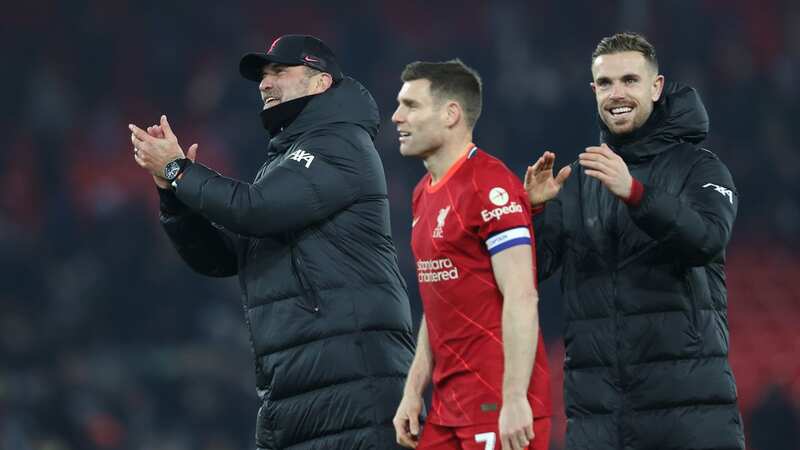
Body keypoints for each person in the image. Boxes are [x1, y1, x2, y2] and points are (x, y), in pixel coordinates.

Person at [128, 34, 415, 450]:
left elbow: (252, 210)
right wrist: (174, 195)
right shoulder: (284, 161)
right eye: (263, 75)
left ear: (320, 83)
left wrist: (179, 170)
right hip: (296, 390)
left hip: (353, 387)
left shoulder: (339, 144)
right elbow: (221, 259)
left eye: (280, 71)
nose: (264, 83)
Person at [524, 32, 745, 449]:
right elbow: (530, 273)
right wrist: (531, 215)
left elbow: (708, 239)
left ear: (656, 87)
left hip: (690, 417)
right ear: (593, 91)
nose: (617, 94)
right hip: (600, 420)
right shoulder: (577, 181)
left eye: (630, 80)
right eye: (605, 83)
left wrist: (636, 194)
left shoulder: (699, 168)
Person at [391, 59, 552, 450]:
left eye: (411, 105)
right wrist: (413, 389)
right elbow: (440, 299)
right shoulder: (421, 194)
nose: (396, 117)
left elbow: (521, 294)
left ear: (451, 114)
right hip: (447, 407)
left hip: (497, 403)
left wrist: (514, 398)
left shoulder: (490, 185)